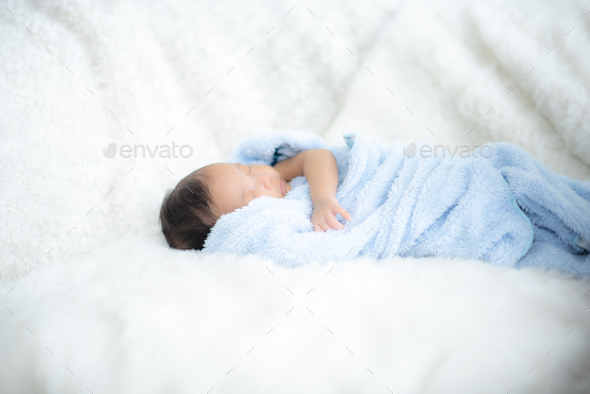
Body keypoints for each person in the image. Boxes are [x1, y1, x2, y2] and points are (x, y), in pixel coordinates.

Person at [159, 149, 352, 250]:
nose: (264, 178)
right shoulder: (275, 232)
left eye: (247, 169)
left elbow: (318, 156)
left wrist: (322, 196)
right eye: (251, 195)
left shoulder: (282, 174)